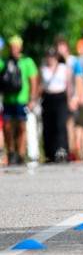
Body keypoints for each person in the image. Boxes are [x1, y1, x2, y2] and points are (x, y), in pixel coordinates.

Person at [0, 36, 38, 165]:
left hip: (22, 100)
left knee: (22, 126)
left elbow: (33, 80)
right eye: (12, 47)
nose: (14, 49)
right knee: (7, 127)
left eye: (16, 47)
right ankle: (11, 152)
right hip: (8, 100)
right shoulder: (4, 62)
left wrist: (32, 99)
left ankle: (21, 154)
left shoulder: (27, 62)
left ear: (20, 47)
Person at [40, 47, 72, 163]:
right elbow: (40, 85)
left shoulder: (63, 68)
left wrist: (70, 100)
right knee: (48, 126)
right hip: (48, 98)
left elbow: (68, 85)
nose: (50, 59)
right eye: (49, 56)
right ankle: (49, 153)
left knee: (60, 125)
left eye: (53, 57)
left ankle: (62, 151)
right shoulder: (43, 69)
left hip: (60, 98)